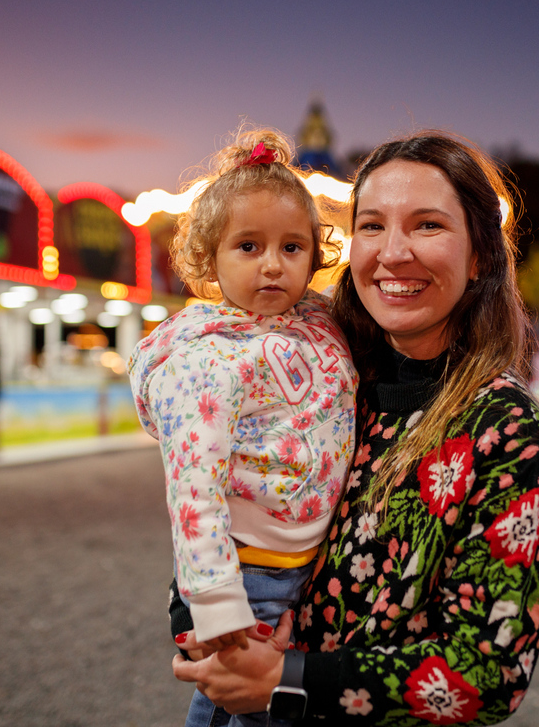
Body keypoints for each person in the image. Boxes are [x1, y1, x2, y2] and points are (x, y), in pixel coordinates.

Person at [171, 131, 539, 725]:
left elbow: (486, 673)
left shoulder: (512, 440)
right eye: (372, 225)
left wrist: (283, 681)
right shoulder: (320, 383)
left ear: (479, 258)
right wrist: (199, 627)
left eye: (427, 225)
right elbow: (219, 502)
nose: (392, 253)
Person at [129, 129, 358, 727]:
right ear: (210, 257)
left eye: (292, 247)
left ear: (316, 255)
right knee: (236, 706)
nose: (273, 265)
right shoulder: (204, 360)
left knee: (262, 707)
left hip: (301, 566)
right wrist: (214, 604)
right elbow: (192, 488)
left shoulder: (318, 324)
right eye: (249, 246)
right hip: (245, 573)